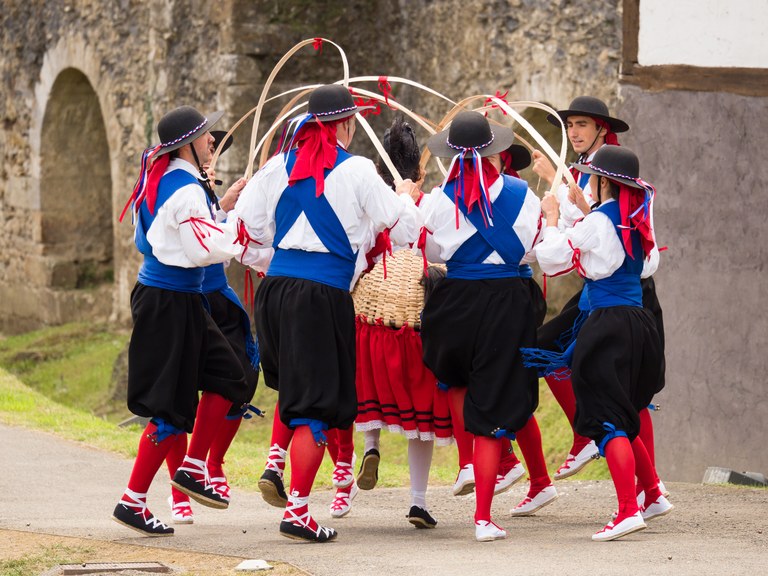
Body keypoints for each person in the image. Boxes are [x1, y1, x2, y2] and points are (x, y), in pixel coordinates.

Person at [233, 84, 421, 542]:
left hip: (275, 293)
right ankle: (297, 510)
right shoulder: (357, 170)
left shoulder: (277, 166)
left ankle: (288, 482)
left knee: (297, 396)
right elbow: (404, 228)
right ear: (344, 125)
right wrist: (404, 197)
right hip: (321, 296)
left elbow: (247, 226)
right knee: (314, 407)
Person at [526, 145, 673, 541]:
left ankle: (628, 509)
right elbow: (646, 265)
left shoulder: (600, 221)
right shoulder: (637, 221)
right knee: (625, 414)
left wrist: (553, 217)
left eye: (593, 178)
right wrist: (582, 211)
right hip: (639, 322)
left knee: (608, 420)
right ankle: (652, 492)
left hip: (606, 323)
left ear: (604, 181)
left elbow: (553, 258)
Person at [112, 106, 246, 536]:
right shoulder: (186, 191)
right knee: (168, 409)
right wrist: (240, 232)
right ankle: (133, 500)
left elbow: (149, 239)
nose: (212, 141)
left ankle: (191, 467)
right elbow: (202, 250)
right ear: (187, 144)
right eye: (206, 135)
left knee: (230, 374)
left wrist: (219, 217)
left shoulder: (163, 179)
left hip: (174, 298)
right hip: (169, 302)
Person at [419, 111, 547, 542]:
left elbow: (434, 249)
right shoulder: (523, 194)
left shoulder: (438, 199)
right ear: (495, 153)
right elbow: (530, 253)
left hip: (456, 302)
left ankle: (469, 471)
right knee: (495, 403)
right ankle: (483, 518)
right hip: (508, 304)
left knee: (459, 382)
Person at [352, 115, 450, 528]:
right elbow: (443, 248)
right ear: (420, 170)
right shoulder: (428, 204)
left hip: (373, 315)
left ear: (378, 168)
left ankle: (370, 445)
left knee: (370, 392)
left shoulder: (373, 204)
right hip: (416, 317)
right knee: (420, 418)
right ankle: (418, 500)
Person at [165, 131, 265, 524]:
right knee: (178, 392)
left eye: (215, 152)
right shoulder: (182, 191)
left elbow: (213, 233)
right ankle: (179, 488)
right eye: (208, 147)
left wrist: (225, 206)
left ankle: (212, 462)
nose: (212, 158)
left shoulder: (202, 191)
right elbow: (198, 242)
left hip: (219, 297)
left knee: (240, 377)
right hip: (190, 298)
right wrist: (225, 217)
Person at [530, 96, 630, 479]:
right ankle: (646, 486)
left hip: (619, 291)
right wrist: (556, 179)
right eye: (569, 126)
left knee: (628, 392)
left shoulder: (614, 171)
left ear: (602, 129)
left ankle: (646, 487)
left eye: (582, 125)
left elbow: (609, 227)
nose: (573, 133)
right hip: (593, 290)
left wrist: (561, 201)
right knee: (547, 351)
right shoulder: (583, 171)